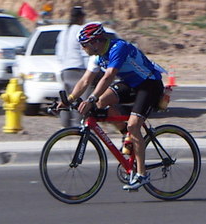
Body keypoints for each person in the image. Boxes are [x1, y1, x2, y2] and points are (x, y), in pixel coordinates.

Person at [57, 22, 165, 190]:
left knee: (134, 125)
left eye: (84, 45)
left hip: (149, 84)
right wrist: (69, 99)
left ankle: (142, 174)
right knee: (101, 103)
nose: (82, 48)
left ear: (95, 42)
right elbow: (85, 80)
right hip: (131, 84)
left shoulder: (118, 48)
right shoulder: (96, 57)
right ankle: (126, 134)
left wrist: (91, 98)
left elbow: (108, 77)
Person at [55, 6, 92, 127]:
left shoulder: (63, 32)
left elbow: (59, 52)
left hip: (65, 70)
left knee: (67, 98)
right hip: (78, 69)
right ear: (80, 18)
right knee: (80, 97)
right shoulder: (80, 30)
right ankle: (78, 125)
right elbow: (84, 52)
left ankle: (64, 125)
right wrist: (90, 70)